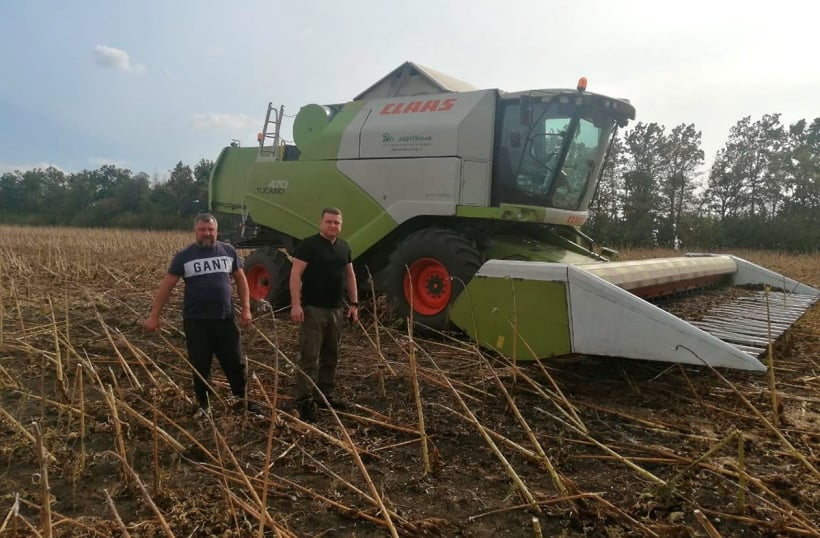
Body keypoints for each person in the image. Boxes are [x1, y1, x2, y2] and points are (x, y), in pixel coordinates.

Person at [144, 213, 260, 416]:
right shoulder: (184, 256)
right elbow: (167, 286)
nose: (207, 233)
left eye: (211, 230)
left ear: (217, 231)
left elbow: (241, 281)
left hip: (225, 319)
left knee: (235, 362)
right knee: (200, 365)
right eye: (202, 230)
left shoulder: (228, 251)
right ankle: (204, 406)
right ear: (195, 231)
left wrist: (247, 309)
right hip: (196, 322)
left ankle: (243, 400)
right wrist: (154, 316)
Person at [290, 207, 359, 422]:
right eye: (329, 222)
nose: (333, 226)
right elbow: (295, 274)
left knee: (331, 354)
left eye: (337, 222)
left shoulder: (344, 247)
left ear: (341, 225)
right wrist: (296, 305)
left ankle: (325, 394)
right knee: (309, 356)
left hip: (336, 310)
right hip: (313, 310)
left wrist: (354, 304)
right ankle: (304, 401)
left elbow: (350, 276)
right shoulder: (308, 245)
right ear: (321, 223)